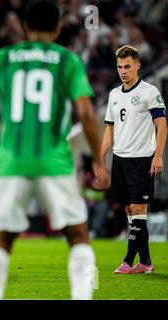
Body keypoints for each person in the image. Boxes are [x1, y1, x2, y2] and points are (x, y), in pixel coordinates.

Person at [0, 0, 110, 299]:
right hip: (55, 162)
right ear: (59, 27)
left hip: (11, 162)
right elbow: (87, 114)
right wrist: (99, 161)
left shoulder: (2, 58)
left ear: (24, 27)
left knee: (2, 241)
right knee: (78, 238)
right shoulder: (67, 60)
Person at [100, 45, 167, 274]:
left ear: (137, 65)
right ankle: (146, 262)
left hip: (142, 160)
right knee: (131, 210)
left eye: (127, 66)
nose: (123, 71)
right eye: (119, 67)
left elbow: (162, 125)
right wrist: (100, 157)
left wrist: (158, 156)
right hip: (120, 159)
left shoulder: (149, 92)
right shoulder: (114, 95)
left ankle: (128, 261)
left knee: (139, 207)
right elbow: (109, 130)